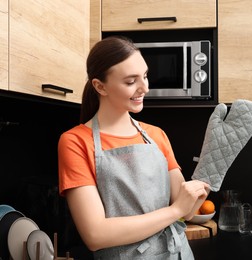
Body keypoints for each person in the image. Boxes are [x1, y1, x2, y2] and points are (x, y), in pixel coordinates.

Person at [58, 36, 210, 259]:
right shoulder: (75, 142)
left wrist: (216, 159)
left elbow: (187, 209)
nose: (144, 88)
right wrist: (174, 211)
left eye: (145, 76)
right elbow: (95, 235)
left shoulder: (157, 135)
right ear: (100, 86)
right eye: (131, 82)